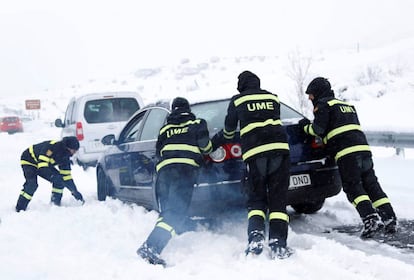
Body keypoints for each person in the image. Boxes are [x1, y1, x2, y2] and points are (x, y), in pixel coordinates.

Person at [299, 77, 397, 238]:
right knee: (371, 185)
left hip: (347, 153)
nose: (310, 98)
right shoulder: (346, 106)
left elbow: (318, 129)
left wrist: (304, 126)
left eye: (310, 94)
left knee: (353, 187)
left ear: (317, 92)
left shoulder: (323, 105)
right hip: (364, 150)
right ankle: (389, 218)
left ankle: (370, 219)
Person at [217, 71, 292, 259]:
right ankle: (278, 243)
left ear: (241, 85)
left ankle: (256, 238)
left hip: (255, 154)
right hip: (280, 151)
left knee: (257, 199)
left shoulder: (237, 100)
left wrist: (223, 138)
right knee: (278, 198)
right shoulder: (272, 97)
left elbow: (228, 130)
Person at [137, 97, 213, 266]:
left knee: (169, 210)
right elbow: (206, 147)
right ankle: (150, 247)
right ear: (188, 109)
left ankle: (156, 242)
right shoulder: (197, 123)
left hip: (164, 174)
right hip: (183, 171)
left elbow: (159, 152)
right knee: (176, 211)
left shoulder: (165, 129)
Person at [15, 136, 85, 212]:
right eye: (73, 150)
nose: (74, 153)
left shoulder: (65, 157)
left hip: (43, 165)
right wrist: (52, 176)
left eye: (75, 151)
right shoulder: (52, 147)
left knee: (59, 180)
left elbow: (66, 177)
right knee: (32, 185)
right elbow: (42, 166)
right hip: (29, 160)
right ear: (67, 147)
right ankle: (20, 208)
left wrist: (75, 192)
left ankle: (55, 204)